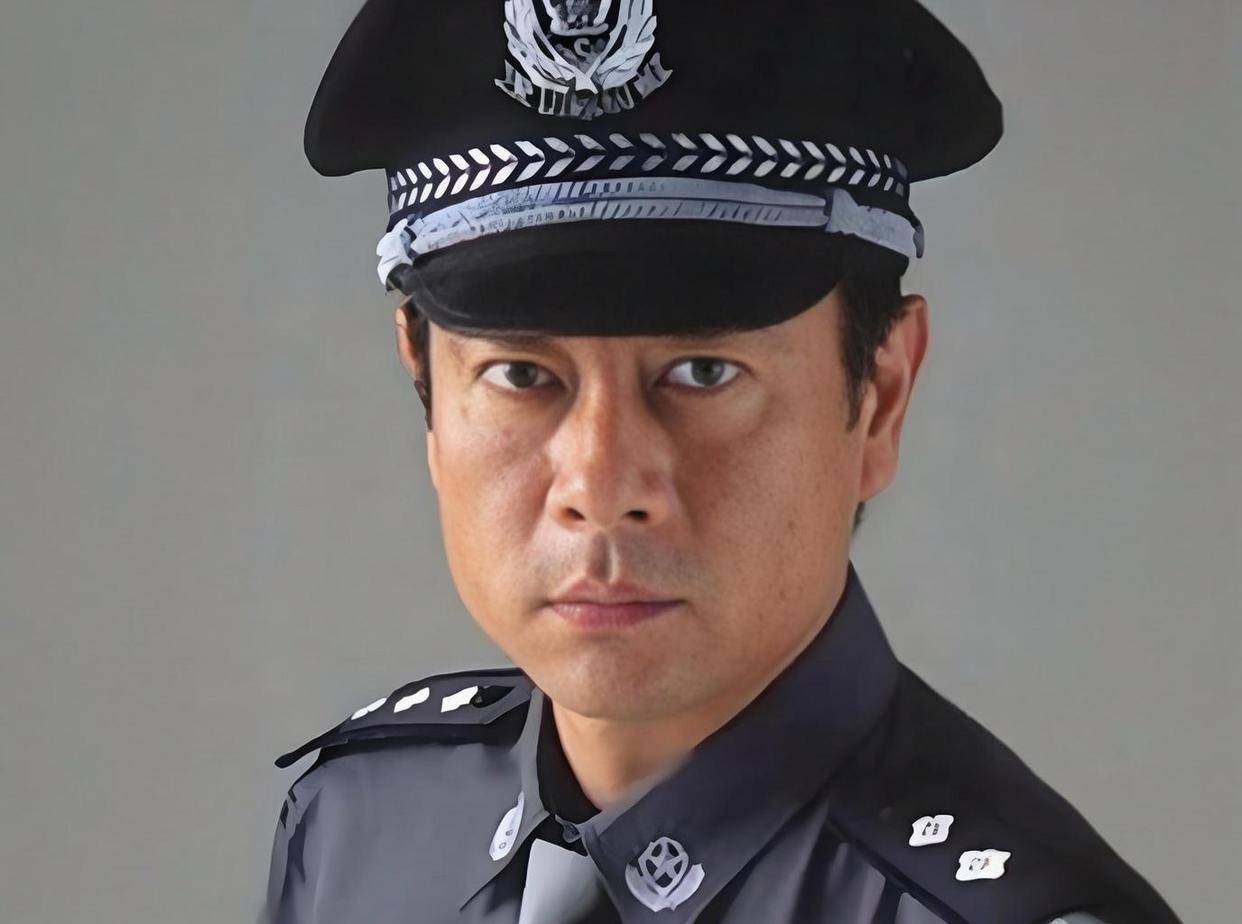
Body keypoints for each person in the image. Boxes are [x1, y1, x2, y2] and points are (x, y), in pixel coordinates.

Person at [260, 0, 1182, 921]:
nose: (601, 485)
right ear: (423, 382)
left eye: (702, 372)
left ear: (880, 396)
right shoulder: (357, 835)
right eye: (521, 374)